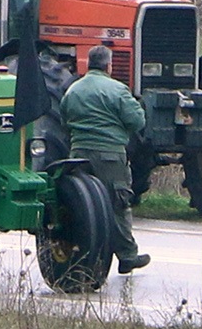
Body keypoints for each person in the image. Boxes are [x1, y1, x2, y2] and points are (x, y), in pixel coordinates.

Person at [59, 44, 150, 272]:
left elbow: (63, 119)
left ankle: (86, 257)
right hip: (110, 156)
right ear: (109, 65)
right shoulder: (117, 90)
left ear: (88, 64)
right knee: (118, 204)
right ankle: (127, 256)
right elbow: (137, 121)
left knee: (84, 207)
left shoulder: (73, 90)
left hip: (78, 155)